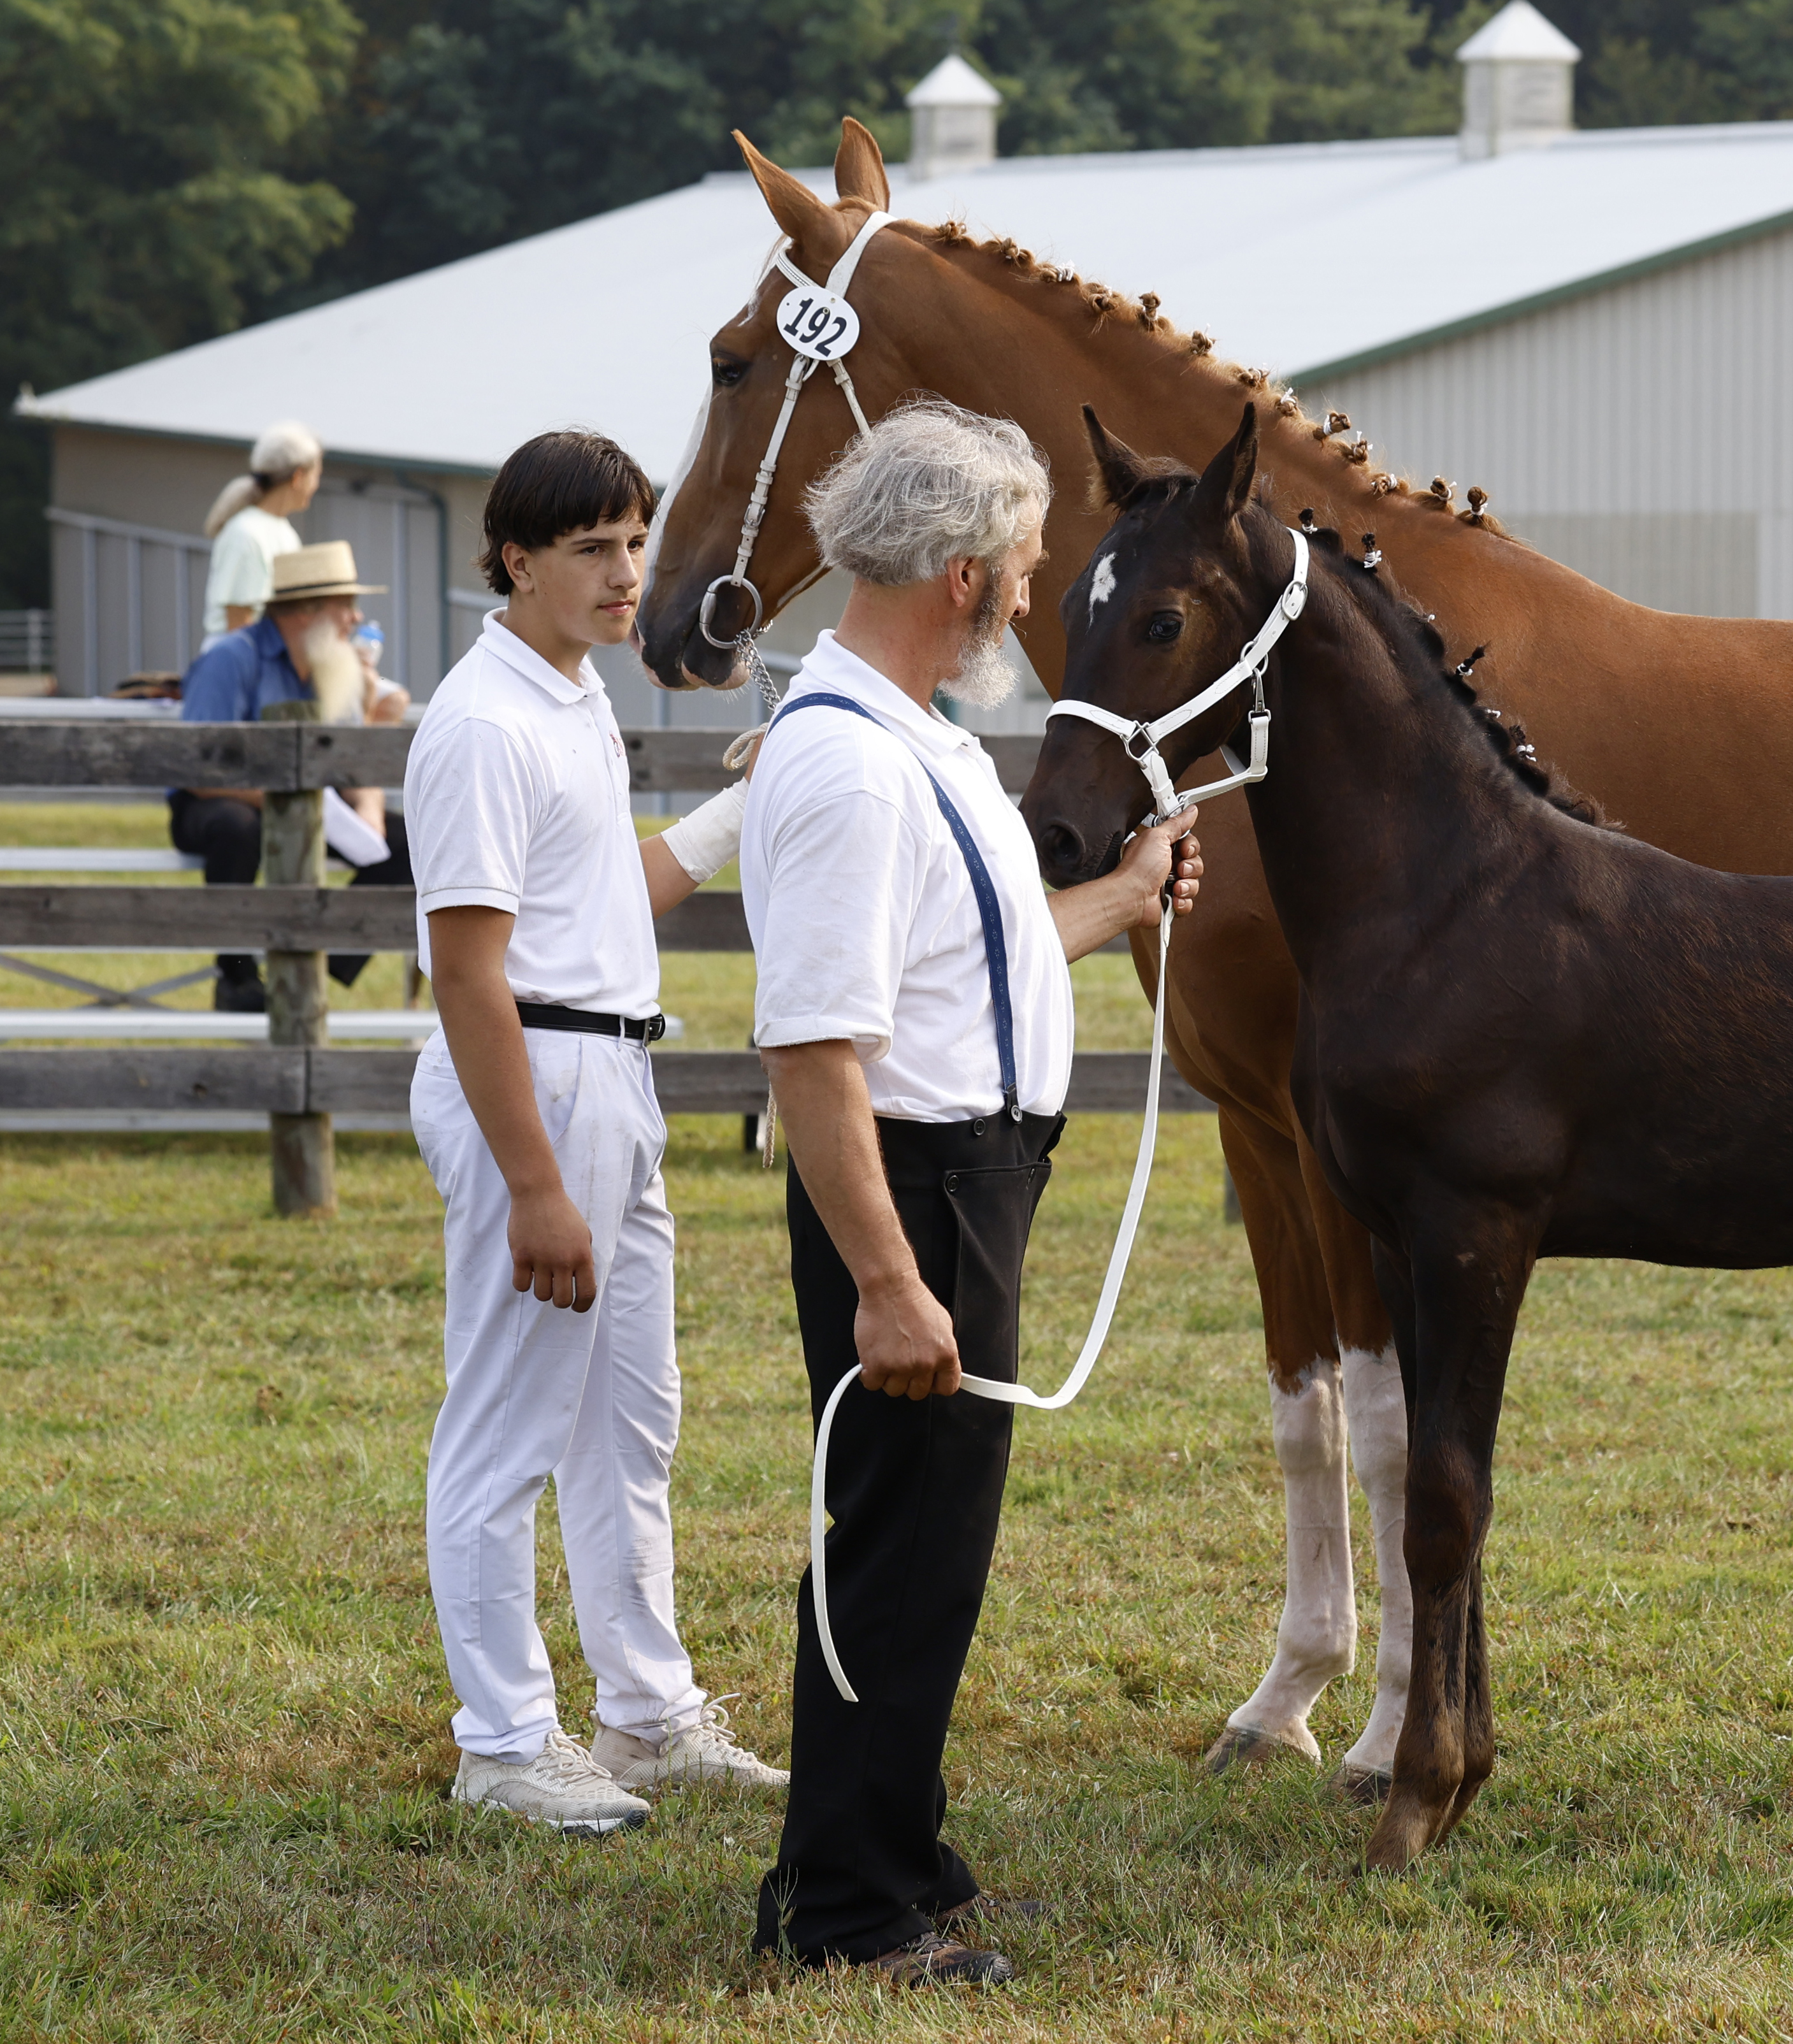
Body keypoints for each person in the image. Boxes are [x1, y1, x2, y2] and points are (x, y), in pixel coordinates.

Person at [744, 399, 1200, 1987]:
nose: (1030, 589)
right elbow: (813, 1050)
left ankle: (873, 1856)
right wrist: (886, 1276)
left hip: (963, 1174)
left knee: (918, 1540)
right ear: (957, 574)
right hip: (916, 1190)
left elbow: (975, 961)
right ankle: (856, 1920)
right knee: (901, 1548)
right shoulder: (856, 773)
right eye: (1017, 563)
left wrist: (1122, 897)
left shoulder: (914, 737)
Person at [406, 429, 786, 1836]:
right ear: (516, 556)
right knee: (506, 1421)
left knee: (633, 1416)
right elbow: (469, 968)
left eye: (636, 541)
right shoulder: (484, 720)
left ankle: (644, 1713)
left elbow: (600, 892)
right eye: (594, 549)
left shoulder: (566, 698)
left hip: (610, 1066)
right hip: (540, 1080)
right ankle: (504, 1739)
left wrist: (749, 800)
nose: (629, 574)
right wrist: (533, 1182)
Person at [170, 542, 415, 1011]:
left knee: (412, 843)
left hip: (308, 804)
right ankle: (236, 975)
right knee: (237, 828)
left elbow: (350, 757)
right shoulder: (230, 658)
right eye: (345, 605)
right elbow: (197, 767)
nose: (356, 619)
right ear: (307, 610)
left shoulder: (333, 663)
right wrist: (284, 797)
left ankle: (310, 972)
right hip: (219, 802)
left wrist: (368, 811)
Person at [201, 422, 324, 648]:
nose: (317, 485)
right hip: (236, 667)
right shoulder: (245, 535)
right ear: (298, 477)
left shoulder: (284, 532)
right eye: (316, 475)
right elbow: (239, 625)